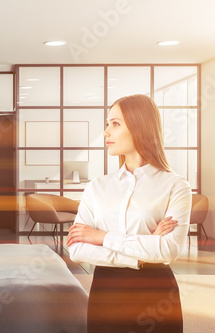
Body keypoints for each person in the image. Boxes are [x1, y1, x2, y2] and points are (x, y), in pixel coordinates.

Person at [67, 94, 192, 333]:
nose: (106, 132)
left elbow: (168, 250)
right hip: (106, 292)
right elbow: (77, 248)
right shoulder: (97, 187)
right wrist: (144, 251)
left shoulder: (176, 186)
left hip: (157, 295)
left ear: (140, 126)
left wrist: (102, 237)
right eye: (107, 124)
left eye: (115, 124)